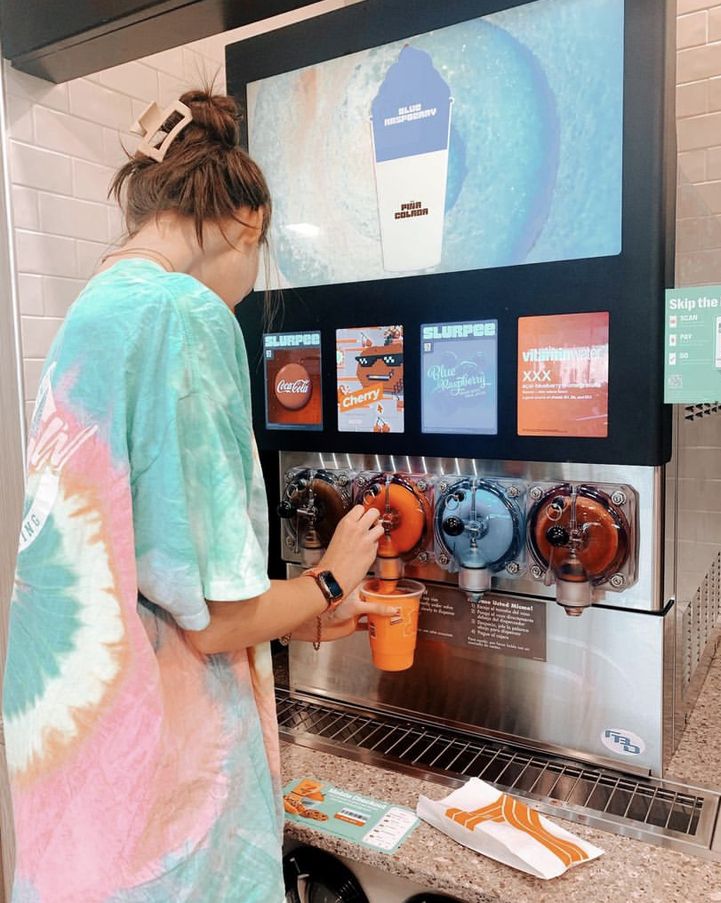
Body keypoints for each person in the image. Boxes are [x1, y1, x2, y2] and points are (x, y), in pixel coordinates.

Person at [2, 89, 394, 903]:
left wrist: (300, 612)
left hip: (78, 783)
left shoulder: (93, 314)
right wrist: (331, 575)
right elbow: (214, 619)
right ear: (242, 224)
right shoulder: (182, 311)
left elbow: (143, 568)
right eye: (259, 263)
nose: (248, 291)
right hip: (161, 795)